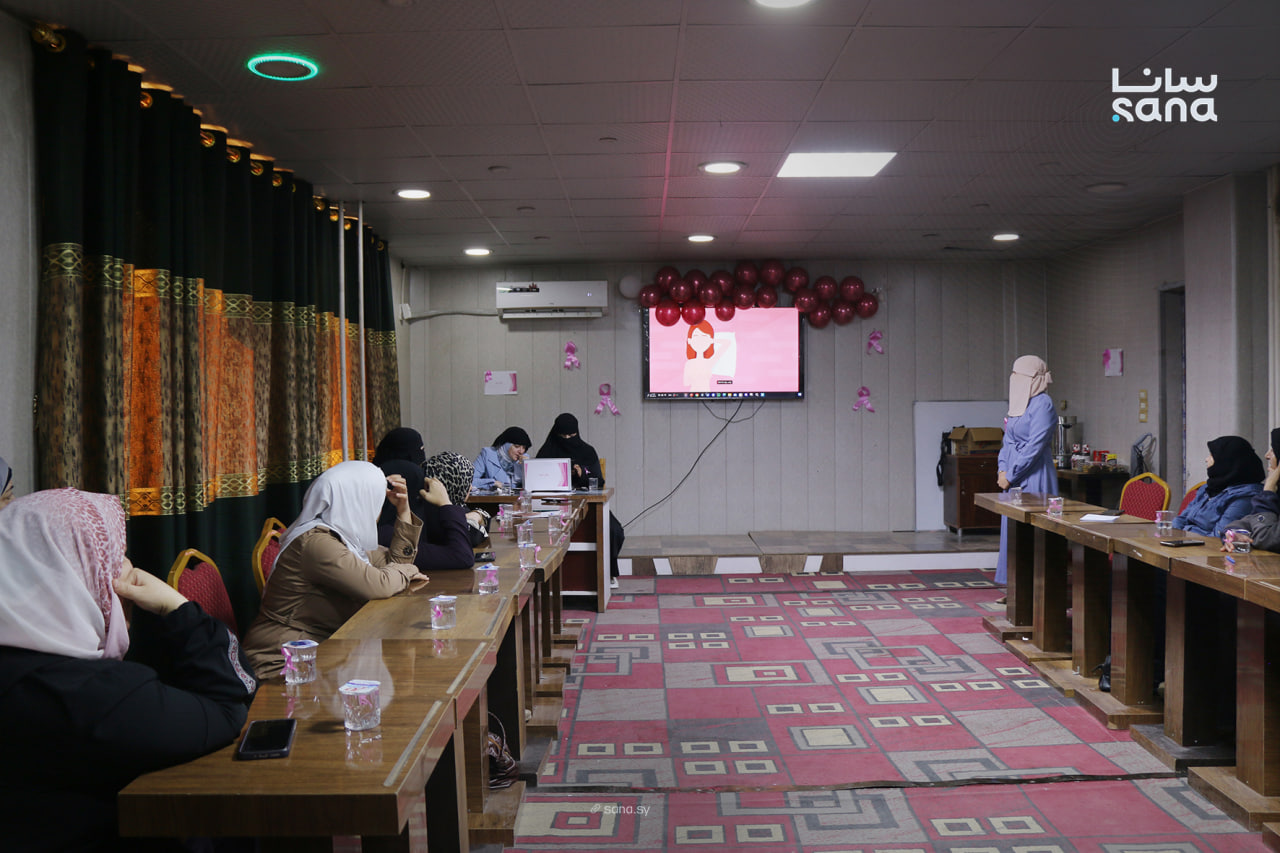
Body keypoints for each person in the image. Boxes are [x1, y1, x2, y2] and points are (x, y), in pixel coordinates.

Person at [0, 489, 257, 851]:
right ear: (73, 573)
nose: (125, 565)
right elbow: (229, 704)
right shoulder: (95, 697)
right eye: (111, 556)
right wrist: (177, 607)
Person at [243, 460, 427, 678]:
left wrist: (403, 511)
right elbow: (379, 585)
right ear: (358, 501)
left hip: (322, 650)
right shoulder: (317, 543)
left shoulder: (345, 537)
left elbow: (395, 564)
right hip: (283, 660)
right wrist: (408, 571)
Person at [537, 413, 625, 588]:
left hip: (587, 504)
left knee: (614, 530)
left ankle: (608, 572)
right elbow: (537, 478)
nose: (568, 440)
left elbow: (599, 481)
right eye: (563, 436)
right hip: (552, 506)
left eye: (572, 436)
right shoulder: (547, 452)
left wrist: (582, 473)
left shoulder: (587, 451)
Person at [995, 356, 1058, 596]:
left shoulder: (1043, 404)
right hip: (1013, 475)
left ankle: (1036, 592)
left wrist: (1011, 475)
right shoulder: (1018, 404)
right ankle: (1015, 589)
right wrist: (1002, 469)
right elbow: (1007, 441)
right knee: (1012, 532)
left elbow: (1035, 446)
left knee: (1033, 534)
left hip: (1035, 475)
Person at [376, 454, 484, 572]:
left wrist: (477, 514)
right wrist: (445, 503)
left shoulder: (424, 518)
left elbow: (475, 532)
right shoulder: (389, 536)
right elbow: (462, 556)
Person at [1175, 435, 1264, 538]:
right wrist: (1176, 535)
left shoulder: (1245, 497)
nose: (1206, 459)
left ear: (1226, 461)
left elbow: (1219, 537)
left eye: (1211, 455)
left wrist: (1184, 533)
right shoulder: (1208, 488)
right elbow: (1181, 519)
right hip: (1186, 541)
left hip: (1205, 547)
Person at [1228, 428, 1280, 552]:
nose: (1267, 455)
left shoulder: (1268, 491)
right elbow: (1241, 524)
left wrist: (1268, 491)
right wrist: (1233, 535)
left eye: (1273, 450)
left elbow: (1265, 538)